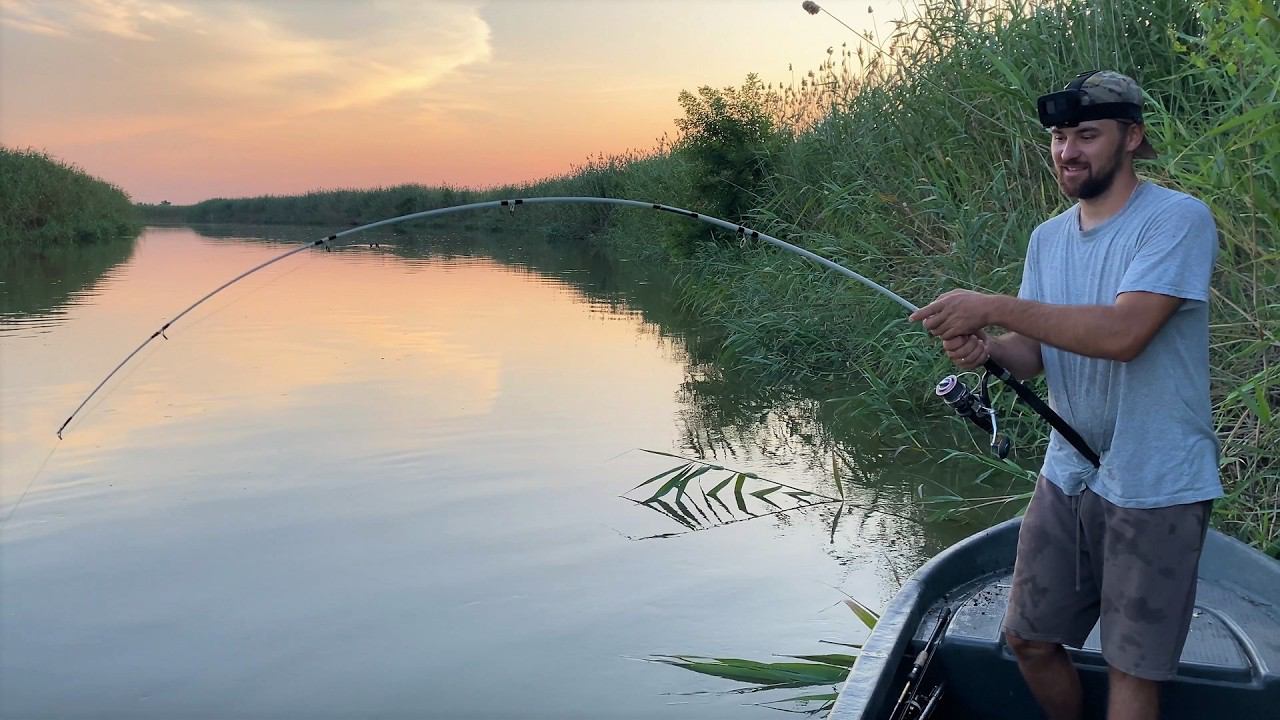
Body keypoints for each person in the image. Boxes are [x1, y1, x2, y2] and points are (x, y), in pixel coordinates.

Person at [909, 70, 1221, 720]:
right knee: (1027, 638)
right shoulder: (1047, 240)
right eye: (1057, 136)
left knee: (1132, 669)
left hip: (1157, 483)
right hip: (1068, 477)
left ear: (1131, 137)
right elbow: (1039, 354)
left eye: (1086, 134)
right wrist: (991, 350)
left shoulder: (1176, 221)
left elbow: (1124, 333)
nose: (1066, 151)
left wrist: (993, 306)